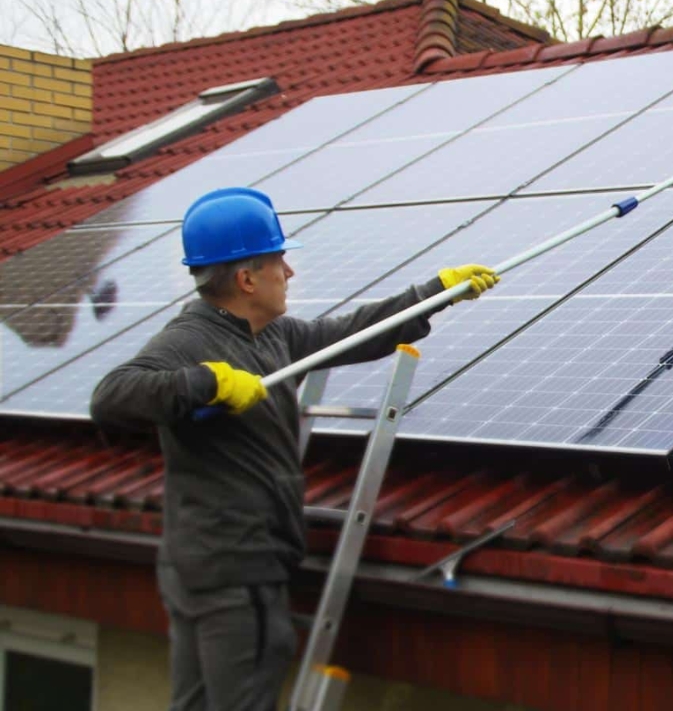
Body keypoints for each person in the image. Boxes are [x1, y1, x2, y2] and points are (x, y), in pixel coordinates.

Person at [89, 187, 497, 711]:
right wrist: (204, 383)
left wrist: (436, 292)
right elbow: (111, 397)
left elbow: (348, 333)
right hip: (235, 567)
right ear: (246, 278)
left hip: (206, 564)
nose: (291, 274)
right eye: (281, 262)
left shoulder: (270, 334)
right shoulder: (191, 341)